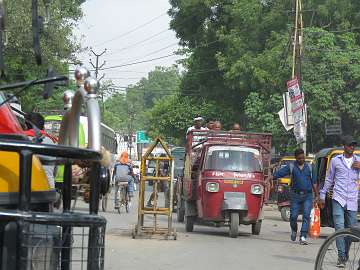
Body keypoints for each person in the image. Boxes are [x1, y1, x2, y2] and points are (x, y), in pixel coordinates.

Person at [319, 135, 360, 268]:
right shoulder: (336, 161)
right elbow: (329, 179)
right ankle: (341, 257)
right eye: (349, 145)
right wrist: (322, 194)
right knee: (339, 228)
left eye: (353, 145)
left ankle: (345, 253)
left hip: (353, 200)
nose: (352, 147)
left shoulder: (358, 161)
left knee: (351, 231)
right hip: (338, 198)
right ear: (344, 146)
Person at [267, 148, 318, 245]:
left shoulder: (310, 167)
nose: (301, 160)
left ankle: (303, 236)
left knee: (306, 216)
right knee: (293, 217)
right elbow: (280, 173)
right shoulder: (291, 167)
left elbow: (314, 183)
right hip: (295, 195)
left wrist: (317, 196)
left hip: (307, 195)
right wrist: (270, 177)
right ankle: (294, 230)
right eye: (299, 158)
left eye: (303, 157)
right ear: (296, 158)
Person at [24, 112, 57, 189]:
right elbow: (55, 169)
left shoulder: (19, 141)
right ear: (43, 127)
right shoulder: (52, 142)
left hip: (25, 189)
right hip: (48, 187)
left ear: (26, 125)